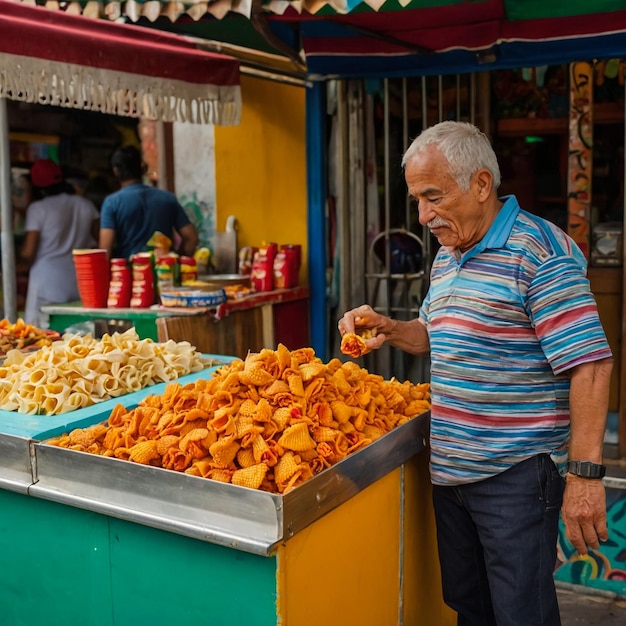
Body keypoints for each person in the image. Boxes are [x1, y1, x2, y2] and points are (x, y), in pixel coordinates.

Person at [338, 121, 613, 625]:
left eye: (433, 197)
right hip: (452, 472)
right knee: (471, 608)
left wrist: (585, 476)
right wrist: (392, 329)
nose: (423, 216)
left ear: (481, 185)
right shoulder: (449, 254)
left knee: (520, 615)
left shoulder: (539, 252)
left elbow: (591, 364)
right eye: (416, 200)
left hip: (516, 474)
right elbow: (437, 333)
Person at [20, 159, 100, 327]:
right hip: (78, 281)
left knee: (39, 339)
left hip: (46, 284)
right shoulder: (85, 205)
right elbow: (101, 243)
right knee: (78, 337)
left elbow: (28, 254)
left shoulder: (38, 209)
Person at [99, 145, 199, 259]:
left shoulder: (112, 203)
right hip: (164, 272)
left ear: (115, 171)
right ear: (144, 168)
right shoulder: (168, 198)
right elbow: (192, 239)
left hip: (129, 273)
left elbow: (105, 251)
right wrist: (176, 261)